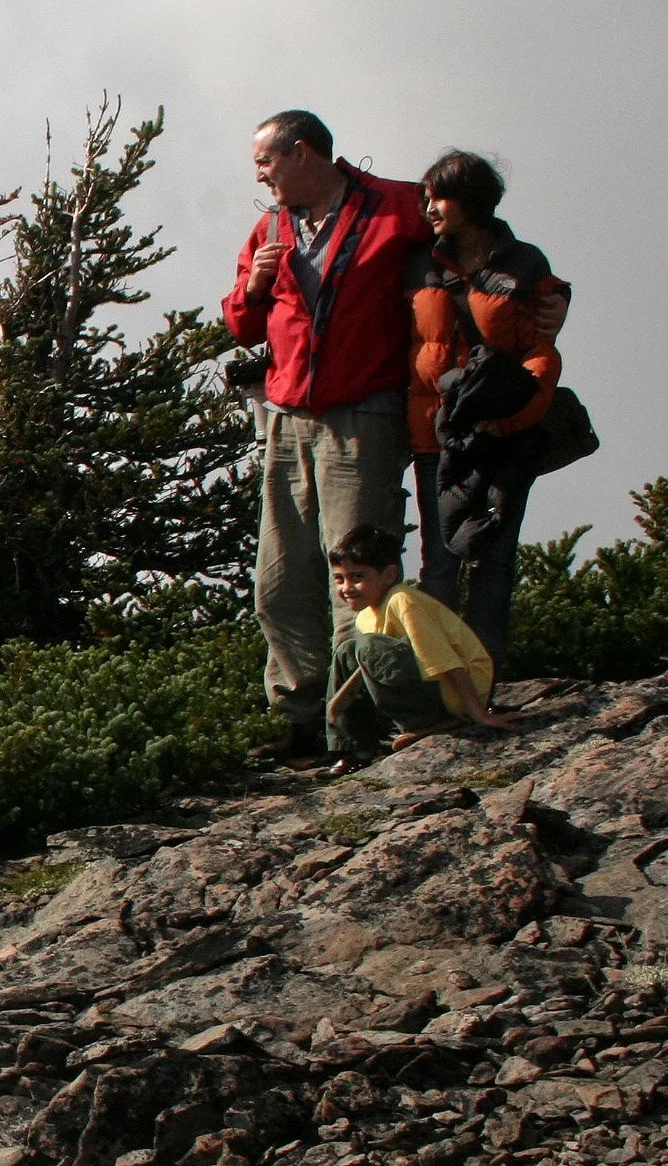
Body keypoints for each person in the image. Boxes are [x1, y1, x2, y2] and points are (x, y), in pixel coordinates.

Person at [223, 111, 432, 768]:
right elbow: (242, 325)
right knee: (278, 580)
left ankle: (356, 722)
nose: (259, 175)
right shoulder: (269, 228)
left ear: (303, 152)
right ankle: (298, 719)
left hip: (363, 415)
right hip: (286, 417)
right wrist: (253, 286)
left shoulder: (396, 207)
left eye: (266, 161)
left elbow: (469, 252)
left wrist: (542, 293)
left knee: (355, 577)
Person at [409, 150, 566, 664]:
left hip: (504, 434)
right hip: (438, 431)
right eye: (426, 197)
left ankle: (486, 681)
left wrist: (517, 417)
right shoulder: (420, 261)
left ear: (471, 200)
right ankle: (443, 688)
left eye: (439, 197)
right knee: (439, 563)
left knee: (492, 560)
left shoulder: (524, 262)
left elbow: (539, 349)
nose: (429, 207)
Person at [323, 524, 514, 770]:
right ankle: (353, 749)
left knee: (366, 646)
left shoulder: (402, 601)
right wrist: (336, 708)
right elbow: (366, 671)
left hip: (455, 694)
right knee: (347, 651)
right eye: (340, 578)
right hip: (434, 691)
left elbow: (445, 660)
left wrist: (478, 713)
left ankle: (430, 722)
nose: (347, 588)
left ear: (389, 575)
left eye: (358, 577)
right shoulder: (365, 616)